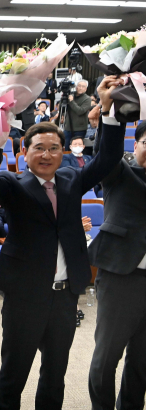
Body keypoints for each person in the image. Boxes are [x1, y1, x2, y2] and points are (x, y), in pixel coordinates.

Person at [0, 76, 125, 410]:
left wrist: (110, 111)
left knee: (55, 374)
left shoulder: (72, 179)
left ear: (63, 152)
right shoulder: (13, 185)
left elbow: (109, 156)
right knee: (14, 373)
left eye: (54, 148)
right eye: (38, 148)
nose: (46, 154)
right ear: (25, 153)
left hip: (65, 295)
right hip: (24, 295)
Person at [88, 121, 146, 410]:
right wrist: (109, 118)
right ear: (135, 146)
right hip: (122, 278)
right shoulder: (119, 173)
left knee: (142, 363)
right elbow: (105, 152)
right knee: (106, 359)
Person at [63, 80, 92, 147]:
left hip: (80, 129)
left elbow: (80, 111)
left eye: (83, 86)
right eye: (79, 86)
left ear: (86, 89)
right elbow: (63, 108)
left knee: (77, 148)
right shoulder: (70, 95)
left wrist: (71, 101)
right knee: (67, 147)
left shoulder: (87, 99)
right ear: (76, 87)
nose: (80, 88)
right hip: (68, 127)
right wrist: (64, 97)